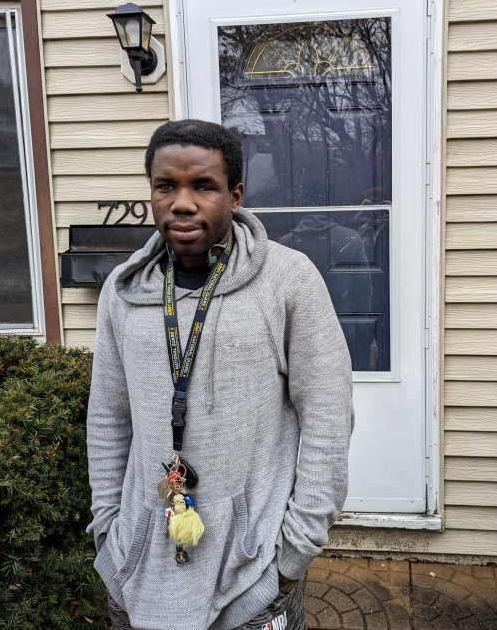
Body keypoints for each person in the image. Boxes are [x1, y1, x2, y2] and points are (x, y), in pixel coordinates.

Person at [86, 119, 354, 630]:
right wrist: (108, 534)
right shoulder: (122, 294)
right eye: (166, 186)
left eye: (203, 186)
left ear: (234, 196)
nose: (182, 203)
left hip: (253, 582)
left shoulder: (288, 281)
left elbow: (328, 418)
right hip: (138, 571)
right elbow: (107, 420)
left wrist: (291, 560)